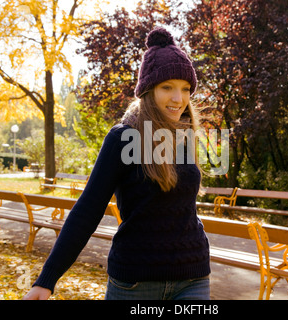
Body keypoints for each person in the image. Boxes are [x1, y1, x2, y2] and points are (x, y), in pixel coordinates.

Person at [23, 27, 211, 300]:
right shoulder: (123, 138)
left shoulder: (184, 136)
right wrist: (47, 279)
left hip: (192, 279)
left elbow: (181, 207)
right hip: (135, 282)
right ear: (148, 91)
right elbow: (88, 209)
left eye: (185, 89)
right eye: (167, 87)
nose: (178, 99)